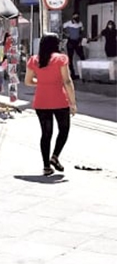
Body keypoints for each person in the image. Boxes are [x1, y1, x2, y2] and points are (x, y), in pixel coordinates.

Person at [24, 33, 77, 176]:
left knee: (46, 134)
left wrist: (42, 83)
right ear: (56, 44)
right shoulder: (61, 59)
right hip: (60, 100)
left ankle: (46, 167)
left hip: (41, 101)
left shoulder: (34, 60)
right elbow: (67, 81)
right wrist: (72, 103)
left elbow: (28, 82)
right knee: (64, 130)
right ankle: (55, 156)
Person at [62, 13, 85, 78]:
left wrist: (80, 41)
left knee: (82, 56)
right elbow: (61, 28)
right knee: (70, 58)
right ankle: (72, 73)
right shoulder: (68, 23)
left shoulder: (80, 23)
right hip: (71, 41)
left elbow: (81, 33)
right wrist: (66, 34)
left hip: (77, 41)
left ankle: (83, 72)